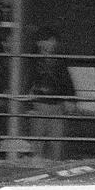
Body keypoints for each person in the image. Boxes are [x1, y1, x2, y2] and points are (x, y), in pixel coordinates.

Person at [26, 27, 76, 161]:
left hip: (54, 105)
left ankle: (51, 164)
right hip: (41, 105)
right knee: (39, 141)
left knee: (55, 141)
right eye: (48, 41)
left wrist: (70, 99)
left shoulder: (57, 61)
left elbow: (66, 80)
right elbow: (28, 81)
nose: (50, 45)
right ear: (39, 43)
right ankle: (39, 164)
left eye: (52, 42)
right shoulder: (33, 61)